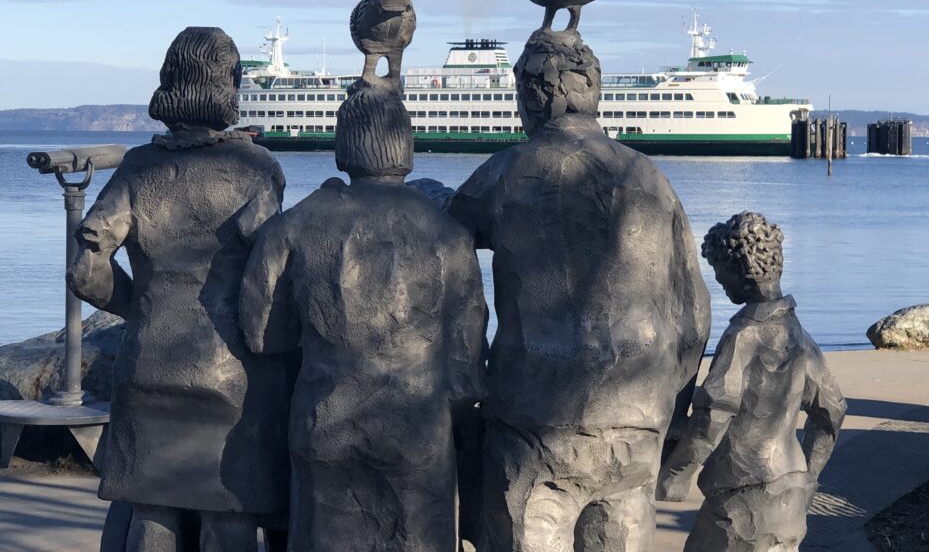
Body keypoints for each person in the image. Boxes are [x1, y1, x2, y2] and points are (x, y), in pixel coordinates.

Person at [435, 28, 711, 552]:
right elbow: (693, 314)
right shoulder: (650, 178)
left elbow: (443, 251)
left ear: (535, 96)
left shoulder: (506, 172)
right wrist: (671, 407)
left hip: (535, 417)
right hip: (637, 416)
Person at [240, 71, 487, 552]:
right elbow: (467, 373)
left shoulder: (295, 224)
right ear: (406, 147)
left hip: (325, 418)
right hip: (419, 426)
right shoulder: (450, 236)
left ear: (342, 148)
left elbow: (262, 336)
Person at [67, 27, 290, 552]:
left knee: (152, 511)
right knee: (228, 514)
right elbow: (271, 270)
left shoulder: (138, 167)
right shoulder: (254, 167)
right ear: (227, 85)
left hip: (148, 364)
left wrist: (140, 307)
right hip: (233, 373)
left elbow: (85, 271)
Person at [658, 211, 847, 552]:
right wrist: (807, 476)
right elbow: (832, 411)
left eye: (720, 275)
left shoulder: (744, 336)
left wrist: (676, 474)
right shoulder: (798, 336)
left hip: (742, 499)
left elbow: (715, 411)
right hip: (790, 494)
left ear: (740, 269)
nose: (720, 283)